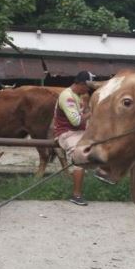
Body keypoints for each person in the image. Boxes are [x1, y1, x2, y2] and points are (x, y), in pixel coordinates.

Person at [53, 71, 93, 205]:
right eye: (88, 86)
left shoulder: (76, 95)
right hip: (67, 133)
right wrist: (93, 112)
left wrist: (86, 108)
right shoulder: (67, 97)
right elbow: (76, 121)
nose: (89, 89)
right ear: (82, 84)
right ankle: (76, 195)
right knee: (79, 156)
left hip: (77, 132)